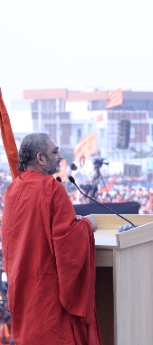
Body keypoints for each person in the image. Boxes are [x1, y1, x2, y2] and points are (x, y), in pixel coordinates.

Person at [1, 133, 101, 344]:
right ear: (40, 158)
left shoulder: (11, 190)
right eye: (54, 152)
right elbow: (67, 244)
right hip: (48, 296)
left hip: (22, 290)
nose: (60, 157)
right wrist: (86, 225)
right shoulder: (51, 189)